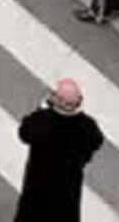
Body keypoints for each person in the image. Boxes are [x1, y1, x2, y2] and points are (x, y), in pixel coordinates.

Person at [14, 79, 104, 222]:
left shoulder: (42, 120)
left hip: (38, 183)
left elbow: (24, 133)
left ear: (57, 100)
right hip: (68, 186)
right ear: (79, 102)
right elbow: (97, 142)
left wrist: (42, 107)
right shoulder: (87, 126)